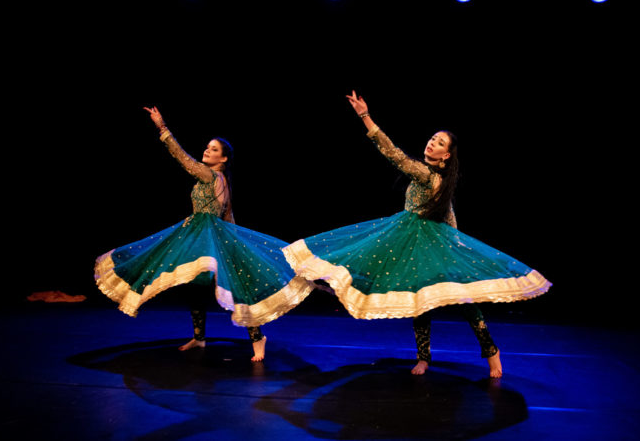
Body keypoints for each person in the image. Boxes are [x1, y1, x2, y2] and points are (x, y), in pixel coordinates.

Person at [282, 91, 551, 377]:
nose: (432, 142)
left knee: (465, 301)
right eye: (433, 138)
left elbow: (394, 155)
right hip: (414, 243)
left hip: (433, 244)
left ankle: (491, 351)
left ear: (446, 155)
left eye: (440, 143)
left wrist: (365, 116)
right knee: (420, 301)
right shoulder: (436, 178)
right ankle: (424, 357)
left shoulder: (428, 175)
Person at [95, 106, 314, 361]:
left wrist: (162, 127)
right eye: (208, 147)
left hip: (208, 236)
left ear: (223, 159)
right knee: (196, 287)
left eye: (213, 149)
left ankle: (258, 337)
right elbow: (227, 215)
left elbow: (184, 160)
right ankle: (199, 338)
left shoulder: (211, 175)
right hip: (198, 236)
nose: (207, 150)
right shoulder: (219, 180)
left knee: (236, 287)